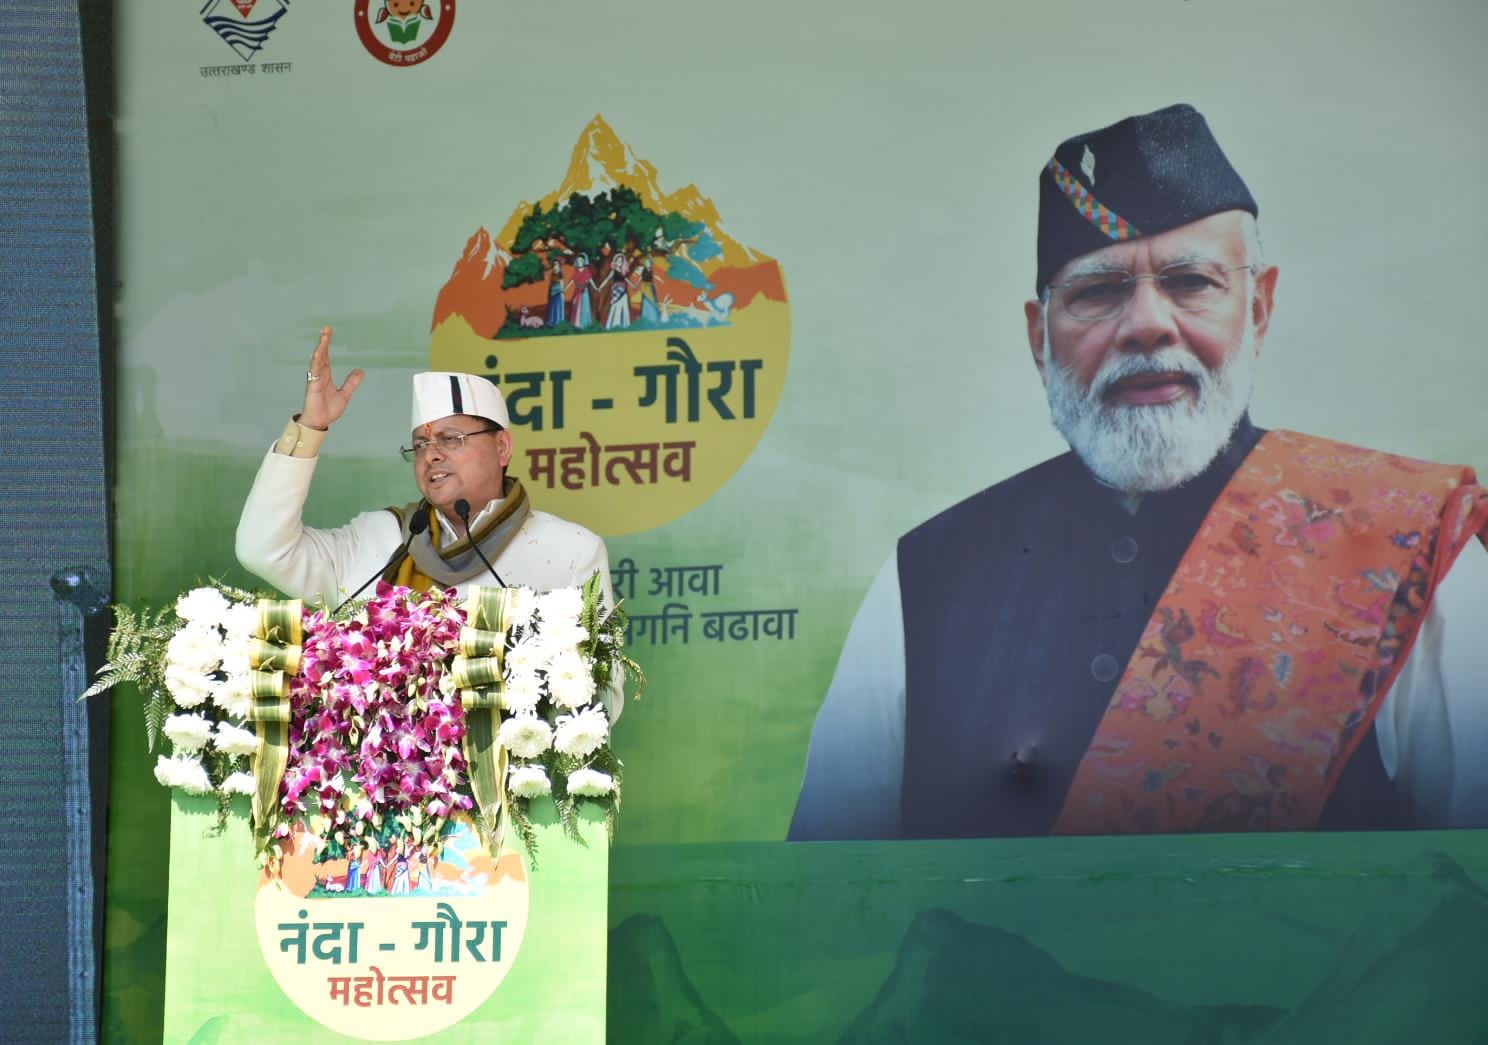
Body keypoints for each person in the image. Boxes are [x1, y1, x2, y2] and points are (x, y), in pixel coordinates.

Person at [790, 103, 1488, 841]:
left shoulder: (1409, 555)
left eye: (1191, 282)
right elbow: (830, 900)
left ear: (1259, 309)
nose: (1148, 324)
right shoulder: (922, 581)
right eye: (1098, 291)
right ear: (1039, 338)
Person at [235, 329, 621, 717]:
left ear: (502, 447)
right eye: (420, 445)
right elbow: (263, 549)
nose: (431, 455)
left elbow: (602, 696)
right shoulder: (379, 538)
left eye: (451, 439)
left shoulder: (570, 550)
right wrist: (310, 428)